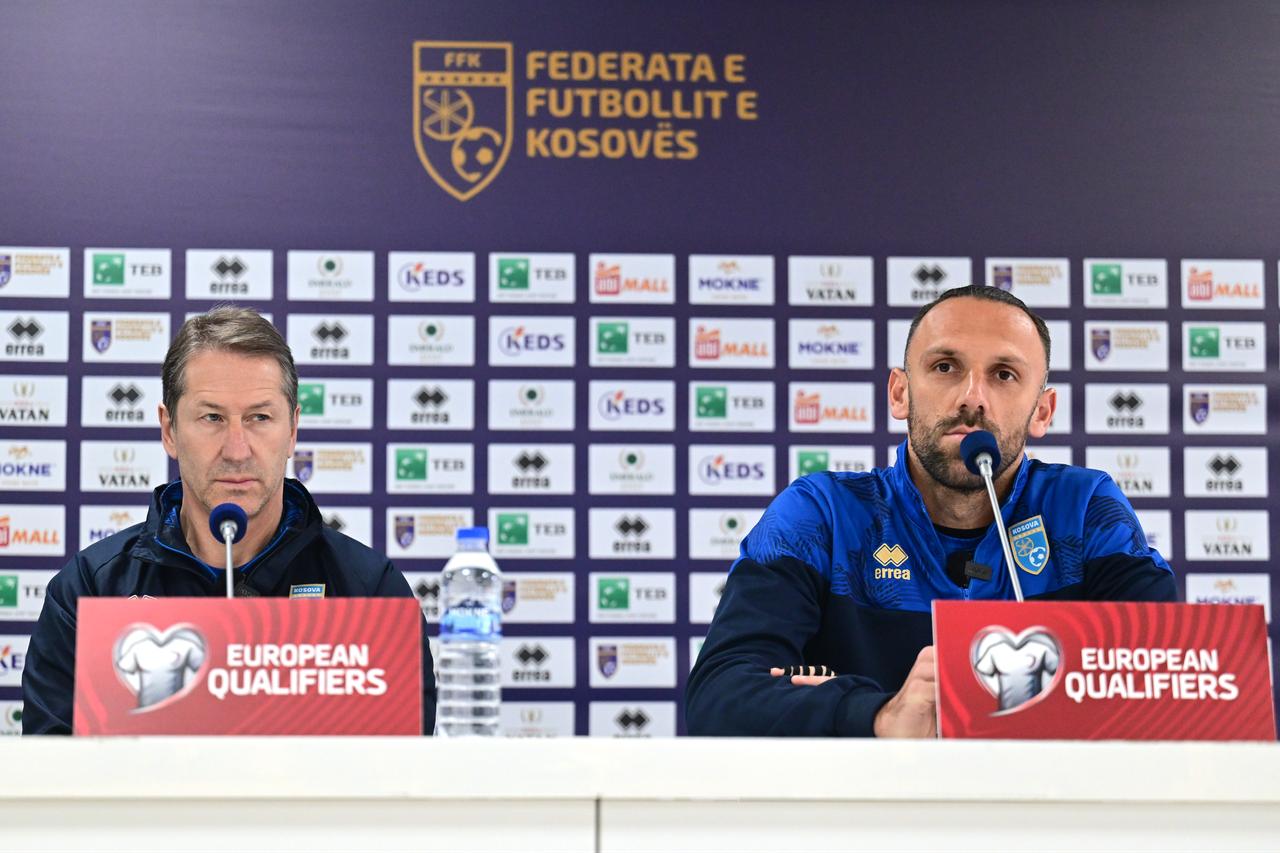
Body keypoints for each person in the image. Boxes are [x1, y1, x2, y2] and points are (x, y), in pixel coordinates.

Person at [685, 285, 1175, 738]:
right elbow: (719, 696)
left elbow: (1166, 682)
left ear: (1042, 411)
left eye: (1004, 375)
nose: (972, 399)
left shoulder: (1084, 510)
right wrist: (880, 715)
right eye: (945, 367)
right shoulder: (822, 513)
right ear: (900, 393)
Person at [22, 306, 437, 734]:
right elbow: (49, 768)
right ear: (169, 430)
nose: (237, 450)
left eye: (260, 417)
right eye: (212, 418)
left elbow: (405, 768)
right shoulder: (90, 590)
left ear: (292, 430)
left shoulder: (369, 591)